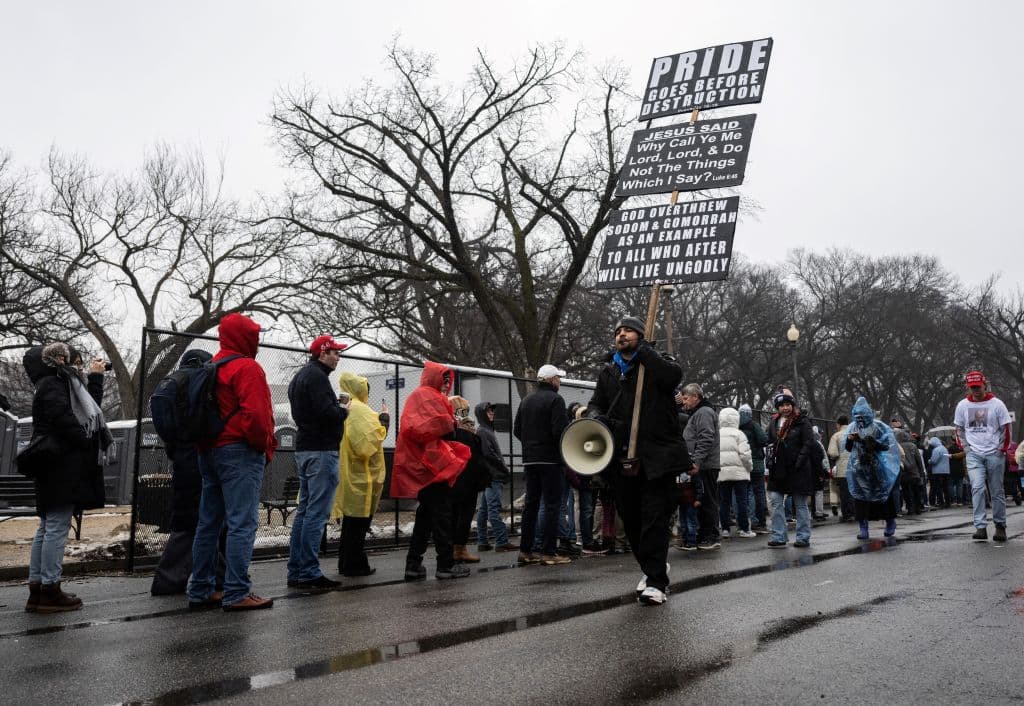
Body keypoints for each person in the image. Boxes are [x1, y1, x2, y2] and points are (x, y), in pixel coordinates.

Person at [586, 315, 690, 606]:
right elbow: (597, 403)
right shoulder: (608, 372)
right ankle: (651, 567)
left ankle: (656, 581)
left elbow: (672, 377)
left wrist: (646, 353)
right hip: (622, 458)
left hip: (656, 458)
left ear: (641, 336)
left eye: (628, 331)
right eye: (618, 331)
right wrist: (594, 417)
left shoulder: (657, 363)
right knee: (631, 520)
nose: (621, 335)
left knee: (655, 519)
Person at [188, 313, 277, 612]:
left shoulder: (210, 366)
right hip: (239, 452)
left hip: (208, 451)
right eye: (255, 335)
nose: (258, 340)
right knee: (242, 523)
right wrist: (263, 447)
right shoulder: (247, 368)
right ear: (245, 337)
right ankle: (237, 591)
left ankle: (200, 588)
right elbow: (258, 418)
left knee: (208, 523)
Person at [22, 343, 109, 613]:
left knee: (48, 526)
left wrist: (95, 378)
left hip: (55, 464)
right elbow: (67, 418)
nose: (77, 364)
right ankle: (50, 588)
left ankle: (38, 587)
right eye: (73, 359)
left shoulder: (59, 384)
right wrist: (83, 438)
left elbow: (89, 409)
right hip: (60, 465)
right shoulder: (53, 384)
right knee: (56, 526)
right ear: (57, 360)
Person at [151, 349, 226, 596]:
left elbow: (166, 425)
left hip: (181, 454)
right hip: (204, 450)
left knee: (185, 518)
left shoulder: (171, 382)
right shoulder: (206, 379)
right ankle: (216, 579)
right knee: (213, 518)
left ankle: (170, 579)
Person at [391, 361, 472, 580]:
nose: (446, 385)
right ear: (435, 379)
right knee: (442, 514)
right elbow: (430, 429)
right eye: (444, 380)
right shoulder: (431, 397)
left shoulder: (417, 397)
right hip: (432, 465)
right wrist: (452, 425)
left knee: (425, 515)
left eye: (448, 381)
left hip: (422, 465)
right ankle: (445, 565)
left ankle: (413, 564)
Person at [286, 335, 349, 590]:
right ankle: (309, 572)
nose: (338, 356)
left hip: (305, 448)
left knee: (304, 511)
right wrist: (344, 410)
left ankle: (297, 570)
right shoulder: (318, 378)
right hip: (322, 450)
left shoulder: (300, 377)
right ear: (323, 353)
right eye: (335, 352)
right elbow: (327, 414)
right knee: (316, 513)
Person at [330, 372, 389, 577]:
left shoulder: (345, 407)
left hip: (349, 473)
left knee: (351, 524)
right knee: (358, 524)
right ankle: (355, 565)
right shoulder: (360, 410)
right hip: (362, 476)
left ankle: (346, 563)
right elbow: (366, 445)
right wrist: (383, 422)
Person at [513, 364, 571, 566]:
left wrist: (532, 444)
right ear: (552, 380)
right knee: (553, 506)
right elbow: (560, 432)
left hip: (530, 459)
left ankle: (526, 550)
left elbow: (517, 429)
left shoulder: (527, 400)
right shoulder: (556, 400)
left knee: (531, 505)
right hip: (551, 460)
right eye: (558, 378)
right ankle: (548, 552)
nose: (560, 382)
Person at [954, 370, 1012, 542]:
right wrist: (966, 449)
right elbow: (959, 429)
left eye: (978, 387)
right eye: (972, 387)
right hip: (974, 454)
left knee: (996, 491)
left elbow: (1006, 429)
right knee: (977, 487)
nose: (975, 390)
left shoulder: (997, 404)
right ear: (967, 387)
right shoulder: (962, 405)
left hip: (995, 453)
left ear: (984, 385)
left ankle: (1000, 526)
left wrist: (1001, 449)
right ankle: (980, 526)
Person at [766, 389, 816, 548]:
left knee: (800, 503)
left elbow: (809, 443)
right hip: (778, 469)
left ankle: (803, 537)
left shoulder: (802, 421)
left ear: (793, 405)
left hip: (797, 469)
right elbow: (769, 442)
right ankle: (779, 536)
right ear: (777, 408)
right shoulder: (773, 422)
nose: (785, 408)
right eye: (781, 405)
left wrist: (799, 461)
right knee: (775, 500)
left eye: (788, 404)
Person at [844, 397, 901, 539]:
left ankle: (890, 522)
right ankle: (863, 528)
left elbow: (887, 445)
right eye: (857, 416)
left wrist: (871, 441)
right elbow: (848, 448)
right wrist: (850, 440)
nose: (860, 419)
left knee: (883, 497)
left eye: (863, 416)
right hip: (859, 469)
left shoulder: (879, 427)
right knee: (860, 499)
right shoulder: (852, 427)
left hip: (877, 469)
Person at [679, 383, 721, 550]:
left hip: (706, 465)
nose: (684, 403)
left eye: (686, 398)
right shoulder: (699, 412)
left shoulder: (703, 413)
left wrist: (697, 461)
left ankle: (711, 536)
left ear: (696, 397)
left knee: (708, 500)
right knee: (704, 501)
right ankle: (705, 535)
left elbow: (706, 438)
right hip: (704, 464)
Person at [450, 398, 491, 563]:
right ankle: (459, 548)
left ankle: (456, 548)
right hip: (467, 479)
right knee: (464, 515)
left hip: (457, 479)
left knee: (456, 514)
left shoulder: (451, 431)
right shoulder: (464, 433)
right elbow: (475, 458)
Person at [473, 402, 517, 553]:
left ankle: (483, 542)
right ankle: (501, 541)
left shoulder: (486, 430)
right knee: (493, 509)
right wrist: (502, 467)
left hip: (490, 475)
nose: (492, 413)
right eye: (488, 411)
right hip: (493, 475)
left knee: (484, 510)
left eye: (492, 411)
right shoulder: (484, 432)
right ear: (481, 414)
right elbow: (489, 454)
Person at [738, 404, 769, 533]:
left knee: (743, 494)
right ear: (750, 414)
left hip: (741, 463)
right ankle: (760, 522)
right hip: (756, 462)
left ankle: (746, 523)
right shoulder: (753, 425)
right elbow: (763, 440)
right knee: (759, 493)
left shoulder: (735, 426)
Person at [828, 415, 854, 521]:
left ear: (838, 424)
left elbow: (833, 453)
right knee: (855, 491)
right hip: (856, 468)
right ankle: (857, 512)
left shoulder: (836, 436)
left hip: (843, 469)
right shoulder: (854, 433)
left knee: (844, 493)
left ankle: (847, 514)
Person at [927, 437, 951, 509]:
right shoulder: (944, 448)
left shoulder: (936, 450)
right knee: (946, 488)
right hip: (946, 470)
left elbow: (934, 461)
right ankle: (948, 502)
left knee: (939, 488)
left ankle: (941, 503)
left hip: (938, 471)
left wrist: (929, 461)